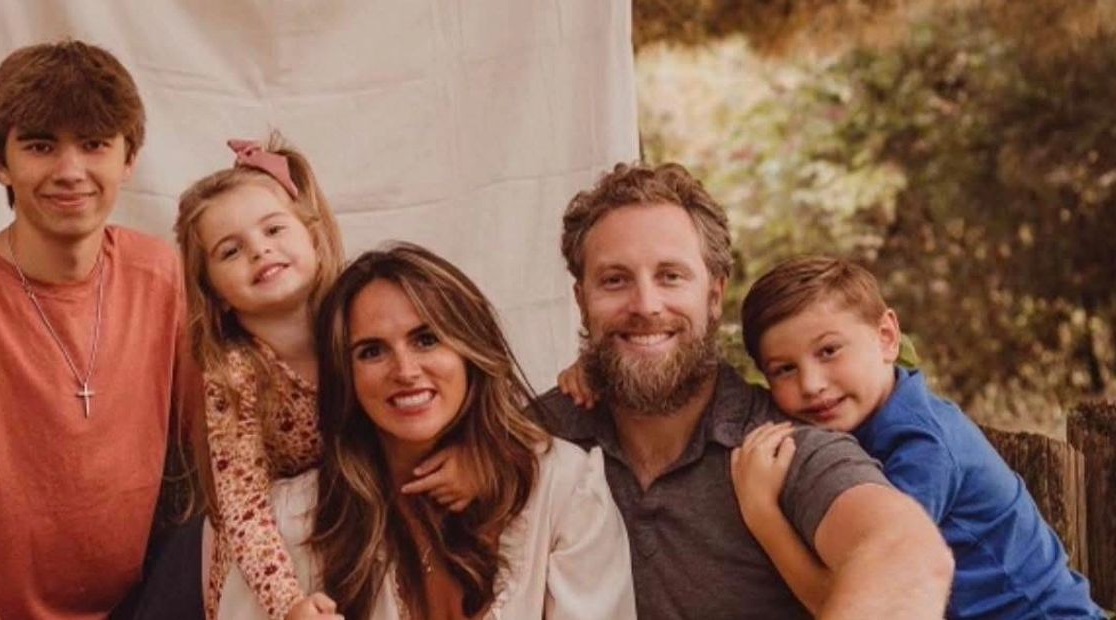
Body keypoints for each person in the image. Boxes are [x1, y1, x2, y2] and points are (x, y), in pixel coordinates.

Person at [541, 161, 954, 619]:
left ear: (715, 295)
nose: (646, 306)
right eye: (615, 280)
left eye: (670, 277)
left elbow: (905, 554)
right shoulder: (535, 437)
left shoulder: (779, 447)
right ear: (582, 301)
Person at [0, 40, 197, 618]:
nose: (70, 172)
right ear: (1, 163)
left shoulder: (163, 277)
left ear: (129, 158)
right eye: (40, 146)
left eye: (94, 144)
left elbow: (235, 436)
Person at [214, 243, 637, 619]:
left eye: (427, 340)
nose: (405, 371)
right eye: (372, 351)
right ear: (347, 376)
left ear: (470, 350)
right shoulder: (294, 521)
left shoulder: (562, 489)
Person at [176, 141, 480, 619]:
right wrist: (287, 604)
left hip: (371, 517)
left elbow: (434, 393)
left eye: (274, 229)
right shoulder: (235, 373)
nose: (261, 251)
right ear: (214, 291)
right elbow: (244, 509)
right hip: (280, 553)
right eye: (231, 250)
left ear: (313, 239)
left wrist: (470, 450)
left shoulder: (359, 325)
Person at [730, 255, 1104, 619]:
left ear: (887, 338)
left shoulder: (922, 446)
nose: (811, 384)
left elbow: (867, 601)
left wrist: (763, 515)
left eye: (829, 351)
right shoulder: (864, 426)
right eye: (784, 370)